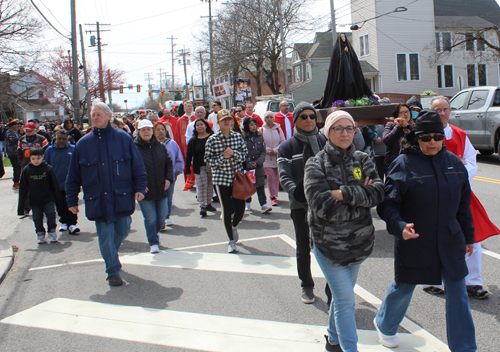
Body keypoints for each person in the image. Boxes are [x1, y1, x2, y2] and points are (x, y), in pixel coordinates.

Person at [375, 110, 476, 351]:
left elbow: (463, 205)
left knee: (458, 291)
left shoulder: (454, 164)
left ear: (443, 137)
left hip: (450, 239)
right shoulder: (403, 164)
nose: (433, 142)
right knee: (404, 286)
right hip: (416, 239)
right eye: (426, 137)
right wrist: (399, 227)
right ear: (416, 138)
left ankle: (464, 347)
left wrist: (468, 236)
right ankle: (385, 324)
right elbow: (388, 204)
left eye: (437, 137)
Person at [305, 110, 384, 352]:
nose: (345, 133)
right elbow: (321, 206)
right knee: (346, 301)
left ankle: (332, 338)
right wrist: (361, 199)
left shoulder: (363, 158)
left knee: (343, 297)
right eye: (338, 128)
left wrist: (343, 193)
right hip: (329, 246)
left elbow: (379, 192)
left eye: (349, 128)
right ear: (327, 132)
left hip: (359, 244)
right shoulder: (315, 163)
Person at [66, 99, 148, 286]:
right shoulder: (83, 144)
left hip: (122, 197)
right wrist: (71, 201)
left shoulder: (123, 138)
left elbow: (138, 167)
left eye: (98, 114)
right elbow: (73, 177)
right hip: (98, 200)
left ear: (109, 117)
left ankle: (111, 252)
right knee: (104, 236)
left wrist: (140, 187)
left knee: (123, 229)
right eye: (93, 115)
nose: (95, 118)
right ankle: (112, 271)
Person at [422, 96, 496, 299]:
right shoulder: (423, 135)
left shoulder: (460, 135)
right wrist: (455, 166)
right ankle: (436, 281)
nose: (443, 113)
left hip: (460, 195)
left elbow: (471, 164)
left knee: (473, 237)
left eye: (446, 109)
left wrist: (456, 172)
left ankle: (473, 282)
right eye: (438, 110)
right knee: (436, 238)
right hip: (434, 196)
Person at [278, 101, 327, 304]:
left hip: (326, 203)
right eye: (304, 116)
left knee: (326, 246)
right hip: (300, 204)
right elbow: (284, 176)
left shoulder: (325, 141)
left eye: (312, 116)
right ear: (296, 119)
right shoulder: (287, 147)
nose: (309, 120)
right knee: (303, 247)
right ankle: (306, 285)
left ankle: (331, 289)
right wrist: (299, 194)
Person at [204, 109, 248, 253]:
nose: (227, 122)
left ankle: (234, 225)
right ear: (218, 122)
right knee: (227, 209)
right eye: (223, 120)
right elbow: (208, 160)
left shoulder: (237, 136)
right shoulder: (212, 139)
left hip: (237, 178)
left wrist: (233, 153)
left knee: (240, 209)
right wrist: (224, 157)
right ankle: (231, 241)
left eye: (229, 119)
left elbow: (244, 155)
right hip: (221, 179)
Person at [135, 119, 174, 253]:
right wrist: (137, 185)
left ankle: (154, 233)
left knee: (162, 215)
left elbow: (168, 163)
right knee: (150, 217)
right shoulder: (134, 148)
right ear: (138, 132)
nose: (146, 132)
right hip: (144, 190)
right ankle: (153, 242)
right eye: (143, 130)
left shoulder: (160, 146)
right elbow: (130, 168)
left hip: (161, 188)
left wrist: (169, 178)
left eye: (149, 129)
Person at [316, 32, 373, 108]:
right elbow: (335, 65)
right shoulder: (337, 50)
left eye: (344, 37)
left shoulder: (349, 49)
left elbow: (354, 61)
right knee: (346, 84)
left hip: (351, 72)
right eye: (342, 37)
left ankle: (354, 99)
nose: (343, 38)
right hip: (341, 76)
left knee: (352, 83)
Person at [18, 147, 62, 244]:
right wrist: (22, 207)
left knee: (51, 215)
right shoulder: (27, 170)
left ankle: (52, 231)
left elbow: (55, 186)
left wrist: (59, 202)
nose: (36, 161)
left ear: (42, 157)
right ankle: (40, 233)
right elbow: (23, 189)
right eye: (33, 159)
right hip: (34, 200)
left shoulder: (48, 169)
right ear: (30, 158)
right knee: (37, 218)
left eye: (38, 158)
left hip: (48, 199)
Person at [44, 129, 80, 235]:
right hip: (55, 184)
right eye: (59, 138)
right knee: (60, 205)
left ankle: (72, 224)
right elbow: (45, 166)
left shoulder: (73, 149)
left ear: (67, 139)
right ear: (55, 138)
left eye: (63, 139)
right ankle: (63, 222)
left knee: (71, 203)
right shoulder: (50, 150)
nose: (61, 141)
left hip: (71, 184)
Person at [154, 122, 184, 227]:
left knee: (168, 196)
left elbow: (179, 159)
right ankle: (159, 218)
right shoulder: (152, 144)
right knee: (158, 196)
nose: (161, 131)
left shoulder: (172, 143)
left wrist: (175, 170)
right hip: (156, 176)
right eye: (158, 129)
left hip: (170, 175)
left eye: (162, 129)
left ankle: (166, 217)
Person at [186, 118, 216, 217]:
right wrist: (187, 170)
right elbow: (189, 155)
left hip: (212, 165)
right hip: (199, 167)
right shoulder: (193, 140)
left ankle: (208, 203)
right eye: (197, 125)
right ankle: (202, 206)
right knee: (202, 185)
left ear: (206, 126)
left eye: (201, 124)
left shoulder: (212, 137)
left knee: (210, 185)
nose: (199, 126)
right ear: (195, 128)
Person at [242, 117, 271, 213]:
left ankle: (264, 204)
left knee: (260, 185)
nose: (254, 127)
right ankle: (247, 203)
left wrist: (258, 162)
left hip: (258, 166)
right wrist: (248, 162)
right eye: (251, 125)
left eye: (255, 124)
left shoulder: (259, 136)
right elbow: (242, 152)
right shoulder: (243, 137)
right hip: (247, 166)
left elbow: (263, 151)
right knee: (247, 185)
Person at [261, 111, 285, 206]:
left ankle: (275, 194)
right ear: (264, 119)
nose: (269, 119)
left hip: (277, 155)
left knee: (276, 176)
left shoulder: (278, 129)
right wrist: (268, 150)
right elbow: (261, 143)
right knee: (270, 176)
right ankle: (272, 196)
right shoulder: (261, 129)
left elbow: (283, 141)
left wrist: (275, 150)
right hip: (266, 157)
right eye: (267, 117)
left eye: (271, 117)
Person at [383, 104, 413, 173]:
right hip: (393, 164)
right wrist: (397, 127)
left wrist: (409, 126)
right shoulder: (390, 125)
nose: (406, 114)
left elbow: (417, 140)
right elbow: (386, 140)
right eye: (402, 112)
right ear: (397, 115)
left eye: (407, 111)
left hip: (410, 164)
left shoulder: (412, 126)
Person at [5, 120, 21, 189]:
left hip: (17, 152)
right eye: (15, 124)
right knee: (16, 167)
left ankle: (18, 180)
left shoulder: (15, 132)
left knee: (19, 167)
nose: (16, 126)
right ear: (12, 125)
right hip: (12, 152)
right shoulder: (9, 132)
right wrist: (20, 138)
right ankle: (16, 181)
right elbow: (13, 140)